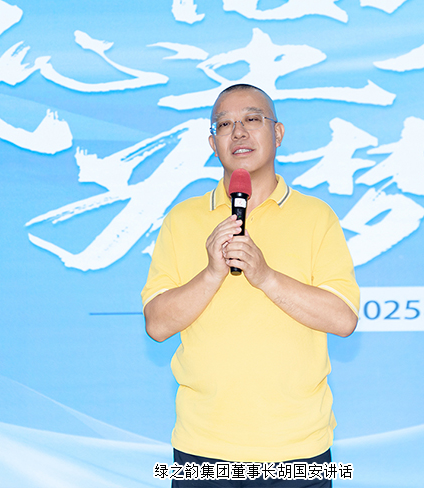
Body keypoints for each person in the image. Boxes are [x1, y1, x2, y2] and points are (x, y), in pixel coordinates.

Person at [141, 84, 360, 487]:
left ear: (277, 133)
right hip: (202, 449)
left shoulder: (317, 217)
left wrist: (265, 276)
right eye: (225, 124)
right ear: (213, 143)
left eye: (252, 119)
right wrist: (211, 273)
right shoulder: (182, 220)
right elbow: (156, 324)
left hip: (298, 449)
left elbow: (343, 319)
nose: (238, 132)